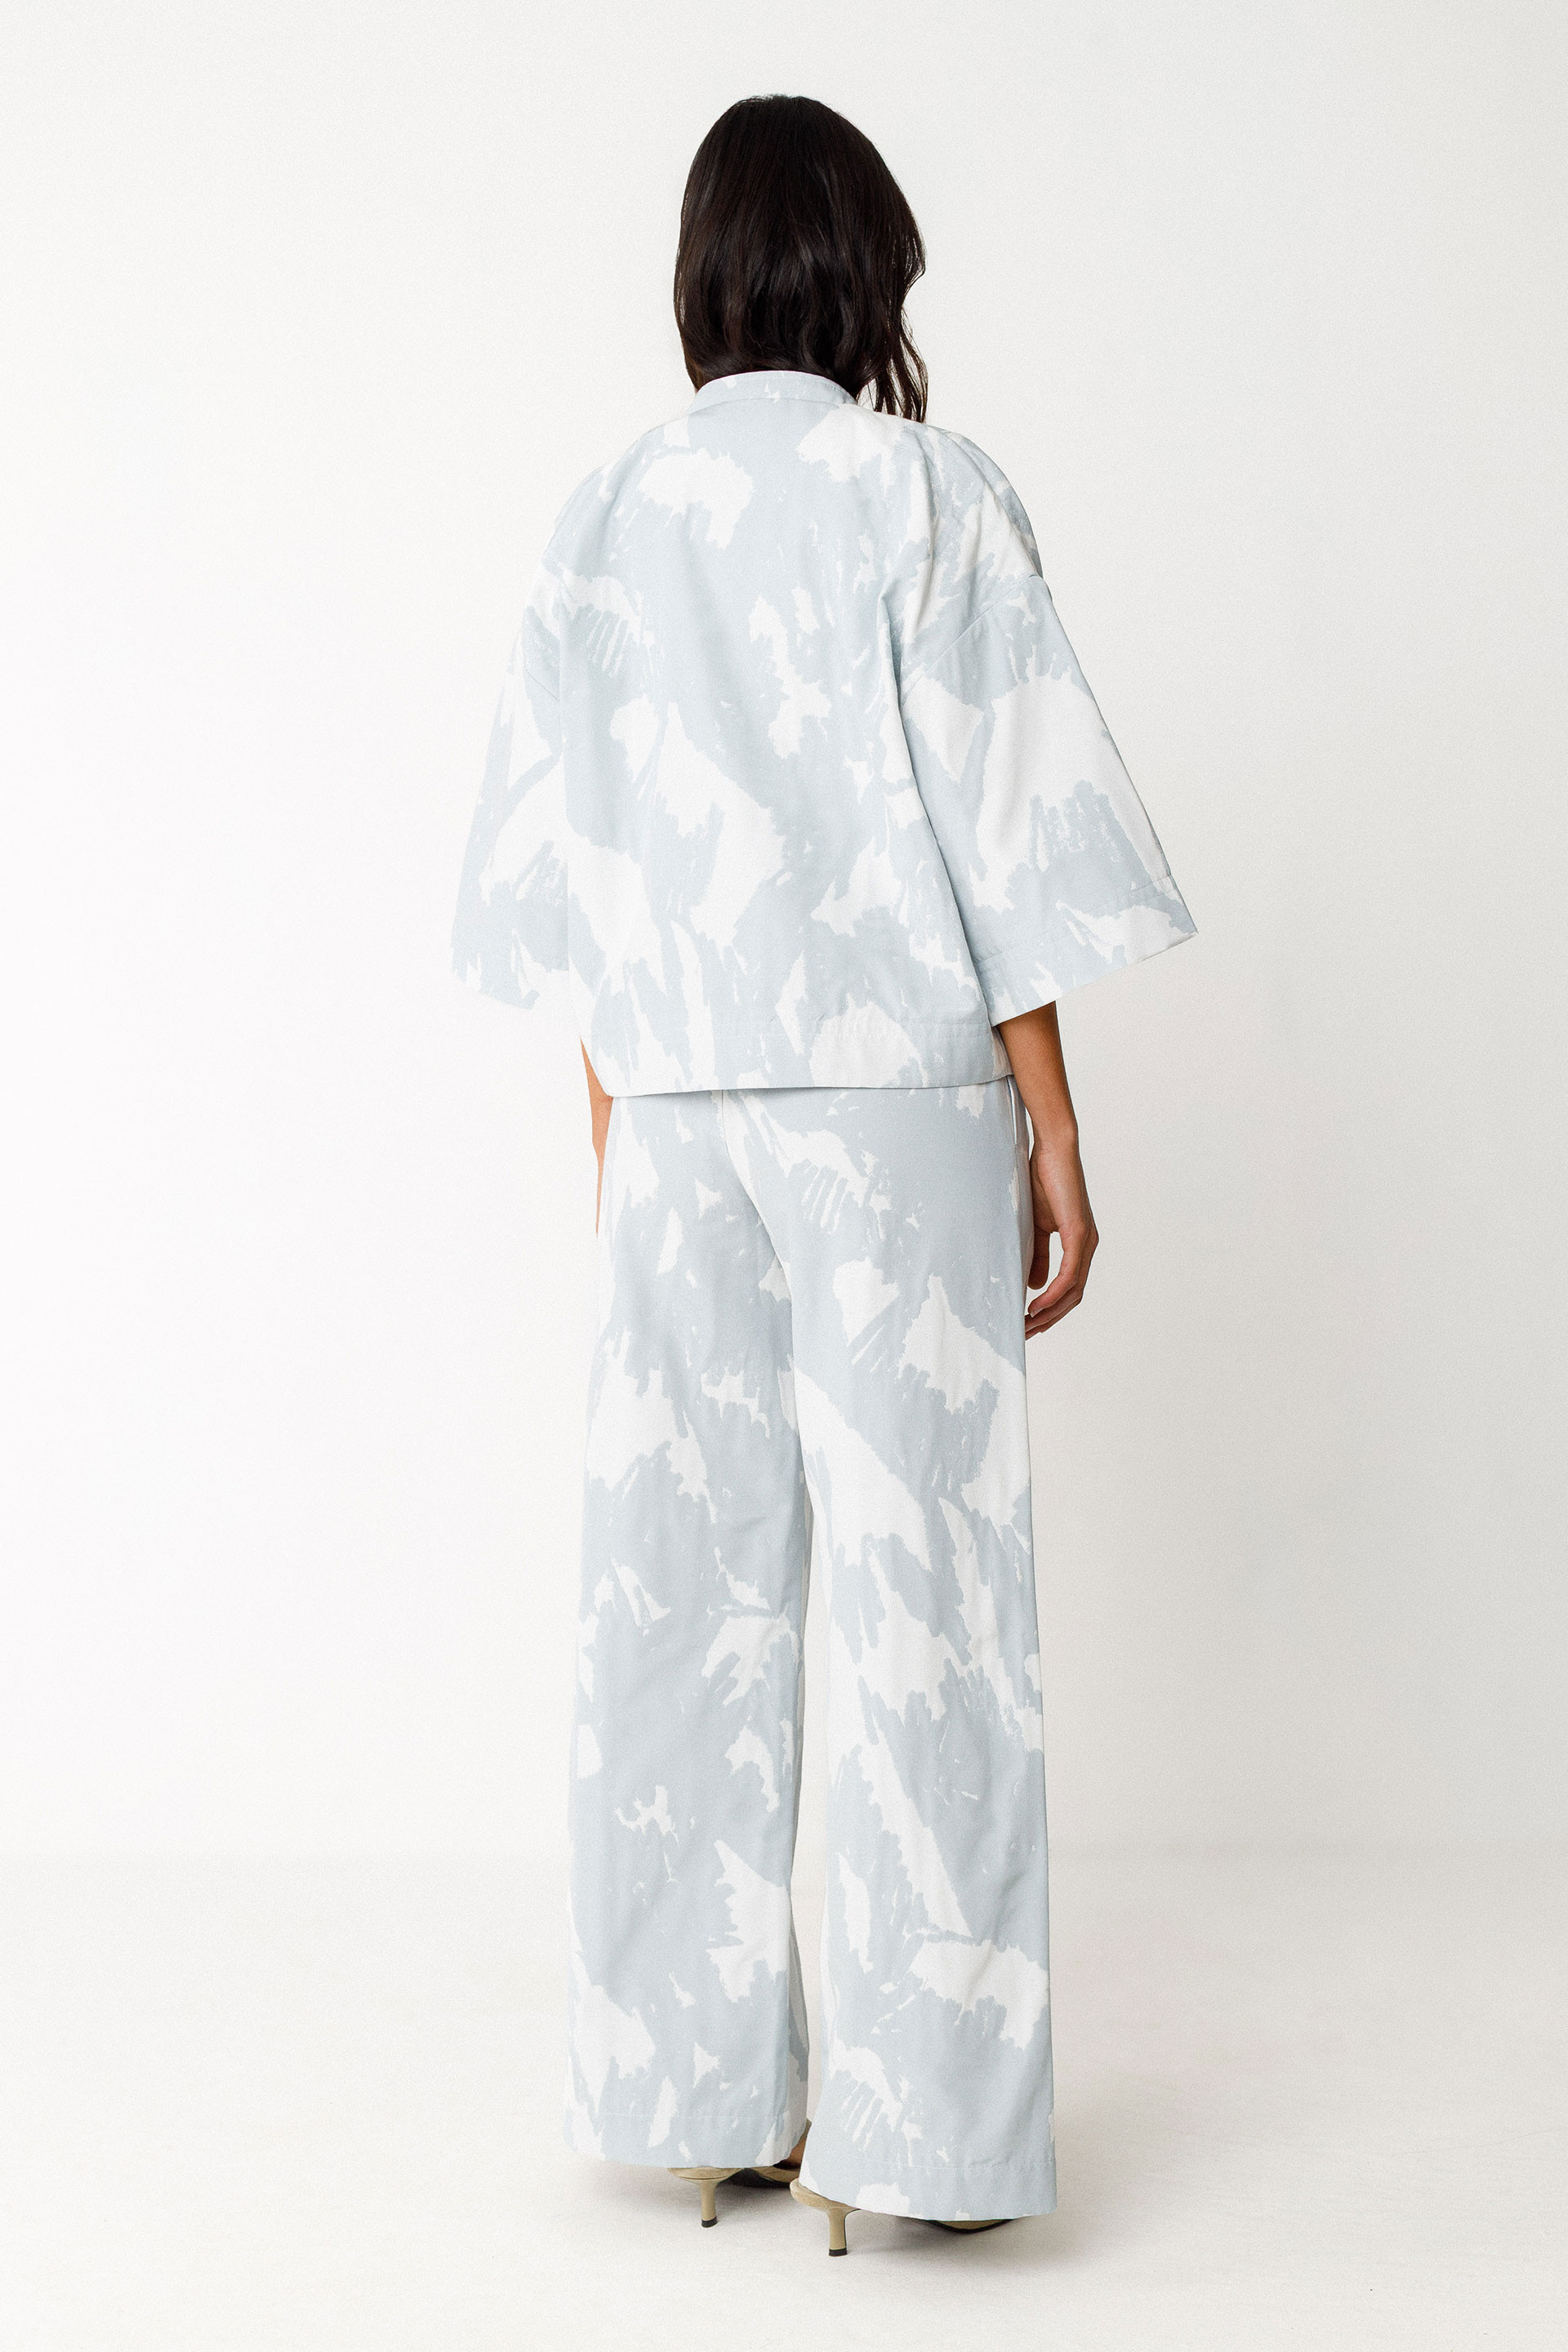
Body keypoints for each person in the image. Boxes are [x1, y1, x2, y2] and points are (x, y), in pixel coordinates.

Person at [453, 92, 1194, 2256]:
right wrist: (1052, 1116)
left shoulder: (603, 513)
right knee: (928, 1605)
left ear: (703, 269)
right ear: (863, 266)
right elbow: (1001, 825)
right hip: (890, 1107)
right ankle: (920, 2144)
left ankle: (692, 2101)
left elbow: (579, 869)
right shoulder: (924, 491)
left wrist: (623, 1131)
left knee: (673, 1599)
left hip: (677, 1106)